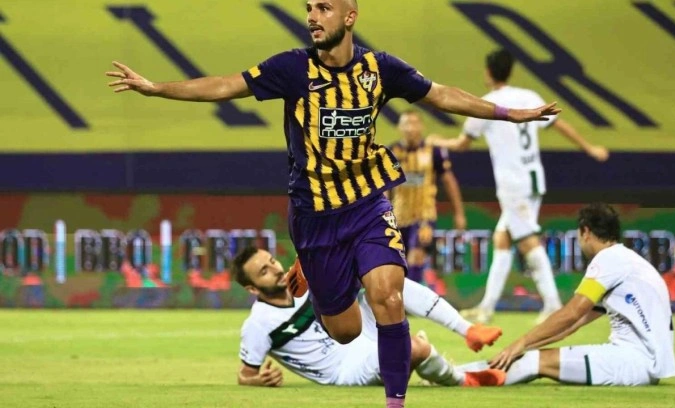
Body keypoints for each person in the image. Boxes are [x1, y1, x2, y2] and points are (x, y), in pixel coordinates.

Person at [105, 1, 559, 405]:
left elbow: (440, 94)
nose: (312, 16)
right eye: (309, 8)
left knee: (388, 296)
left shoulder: (380, 69)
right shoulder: (292, 68)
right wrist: (156, 88)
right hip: (314, 218)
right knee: (345, 330)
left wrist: (509, 114)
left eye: (323, 7)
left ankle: (395, 401)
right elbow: (226, 85)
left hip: (367, 202)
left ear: (350, 16)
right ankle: (323, 272)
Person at [427, 49, 608, 324]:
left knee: (526, 241)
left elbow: (462, 144)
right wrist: (589, 147)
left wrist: (437, 141)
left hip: (513, 183)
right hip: (533, 178)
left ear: (488, 72)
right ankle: (487, 308)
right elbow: (559, 124)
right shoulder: (529, 97)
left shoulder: (485, 105)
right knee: (502, 239)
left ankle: (553, 305)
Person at [233, 247, 504, 388]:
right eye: (264, 272)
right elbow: (245, 375)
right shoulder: (258, 325)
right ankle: (462, 380)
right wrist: (256, 380)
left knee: (385, 283)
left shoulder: (303, 282)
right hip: (346, 370)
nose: (275, 269)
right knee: (415, 348)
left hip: (359, 332)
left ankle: (468, 330)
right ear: (252, 289)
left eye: (272, 261)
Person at [478, 203, 675, 387]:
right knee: (531, 358)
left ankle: (464, 377)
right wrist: (524, 346)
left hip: (630, 361)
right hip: (644, 365)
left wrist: (520, 343)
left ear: (586, 231)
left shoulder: (608, 259)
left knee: (532, 362)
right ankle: (469, 374)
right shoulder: (627, 260)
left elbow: (573, 313)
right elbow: (573, 323)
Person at [388, 110, 466, 289]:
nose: (410, 128)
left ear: (421, 126)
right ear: (399, 127)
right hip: (398, 218)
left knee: (416, 257)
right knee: (399, 263)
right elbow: (385, 187)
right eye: (406, 124)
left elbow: (449, 181)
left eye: (414, 123)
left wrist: (459, 213)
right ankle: (403, 298)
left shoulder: (433, 152)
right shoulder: (393, 153)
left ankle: (409, 300)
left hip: (424, 216)